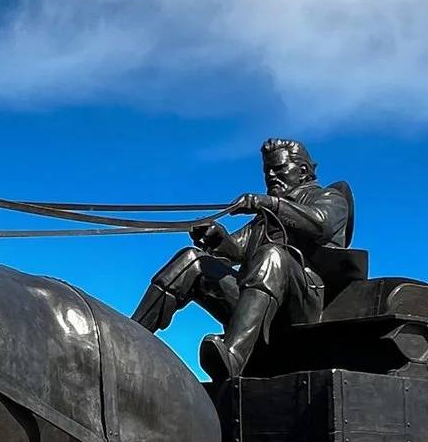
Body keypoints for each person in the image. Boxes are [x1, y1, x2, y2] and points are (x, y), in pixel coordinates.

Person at [133, 138, 354, 380]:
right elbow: (235, 249)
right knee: (192, 260)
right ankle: (130, 337)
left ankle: (233, 355)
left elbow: (320, 223)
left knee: (272, 255)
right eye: (267, 170)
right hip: (257, 298)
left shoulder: (330, 198)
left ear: (302, 171)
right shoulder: (264, 219)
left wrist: (268, 203)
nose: (271, 175)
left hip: (301, 306)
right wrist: (217, 238)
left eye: (278, 168)